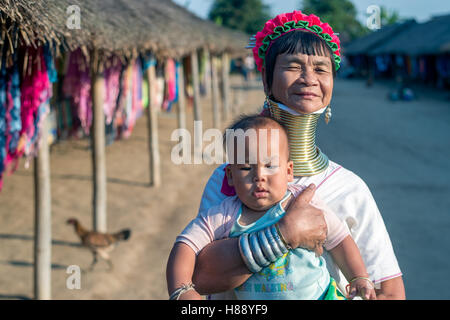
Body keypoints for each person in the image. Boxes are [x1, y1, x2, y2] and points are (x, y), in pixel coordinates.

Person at [167, 10, 405, 300]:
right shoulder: (229, 179)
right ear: (266, 82)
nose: (309, 78)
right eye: (294, 65)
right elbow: (200, 277)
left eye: (321, 69)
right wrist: (284, 233)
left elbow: (390, 293)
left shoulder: (350, 188)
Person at [167, 115, 377, 300]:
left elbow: (340, 239)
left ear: (288, 171)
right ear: (230, 175)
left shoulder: (301, 201)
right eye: (246, 167)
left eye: (270, 165)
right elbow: (185, 245)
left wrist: (358, 277)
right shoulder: (225, 214)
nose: (259, 176)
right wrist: (181, 288)